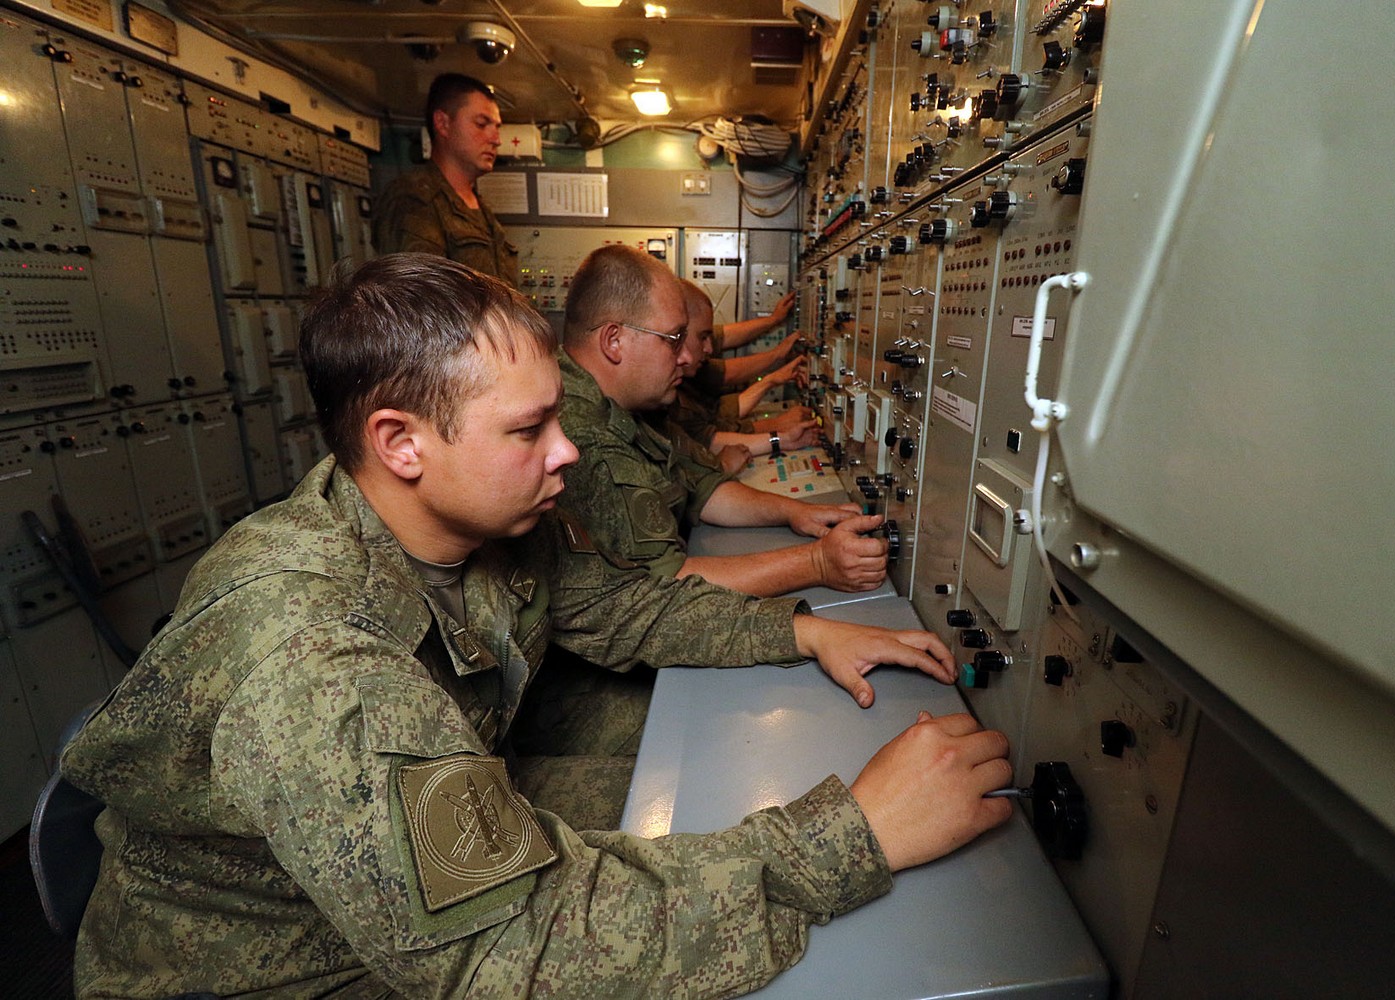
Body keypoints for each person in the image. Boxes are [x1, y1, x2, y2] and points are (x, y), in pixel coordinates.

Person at [60, 254, 1014, 998]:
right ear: (400, 443)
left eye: (559, 418)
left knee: (697, 788)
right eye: (528, 431)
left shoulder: (474, 523)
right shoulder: (312, 661)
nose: (566, 453)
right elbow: (513, 950)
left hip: (400, 880)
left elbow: (616, 605)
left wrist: (806, 632)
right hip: (277, 970)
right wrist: (855, 836)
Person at [558, 245, 890, 598]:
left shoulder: (634, 405)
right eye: (673, 340)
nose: (686, 357)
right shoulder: (582, 435)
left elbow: (705, 488)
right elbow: (664, 591)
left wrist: (796, 512)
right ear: (615, 341)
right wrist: (818, 563)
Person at [372, 72, 520, 286]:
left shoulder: (481, 210)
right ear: (443, 123)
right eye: (481, 124)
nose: (496, 140)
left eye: (497, 127)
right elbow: (418, 302)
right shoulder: (413, 200)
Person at [670, 279, 819, 460]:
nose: (709, 349)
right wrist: (778, 432)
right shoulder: (669, 397)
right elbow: (709, 435)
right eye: (702, 337)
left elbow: (723, 337)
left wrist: (773, 320)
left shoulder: (686, 371)